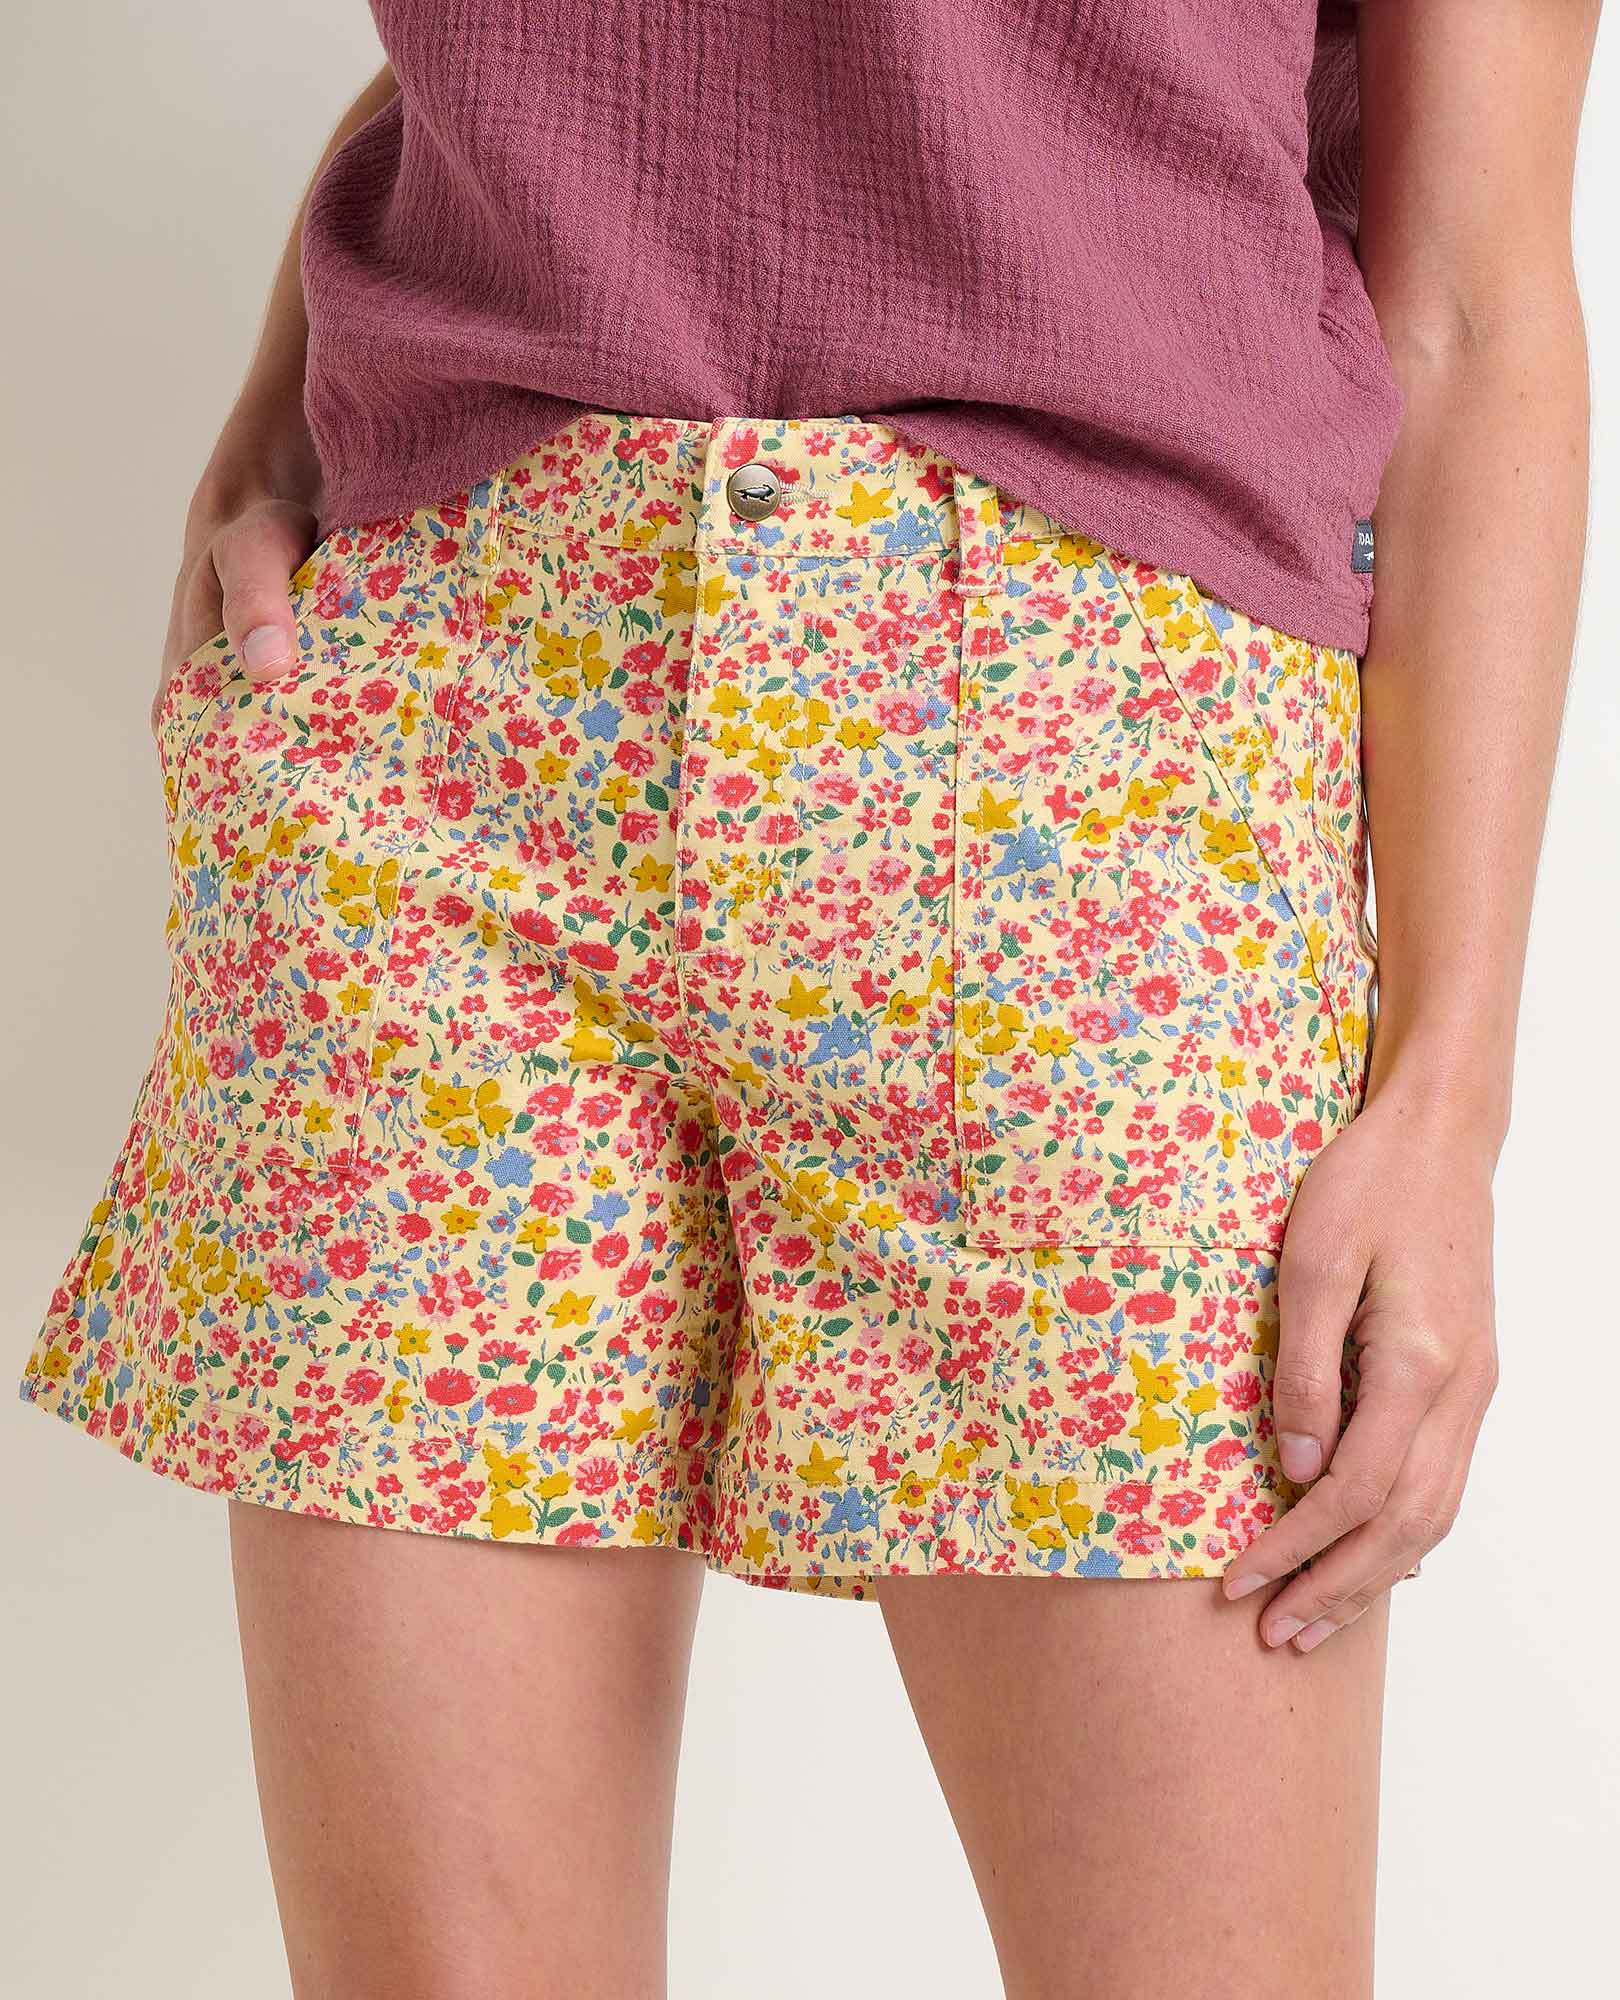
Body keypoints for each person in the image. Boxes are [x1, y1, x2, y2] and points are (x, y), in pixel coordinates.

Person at [19, 3, 1599, 1994]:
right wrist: (280, 399)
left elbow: (1471, 305)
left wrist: (1448, 1098)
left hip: (1086, 806)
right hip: (451, 737)